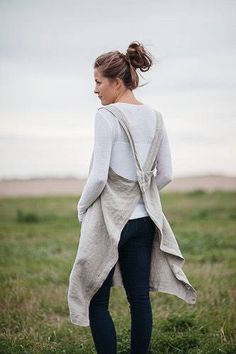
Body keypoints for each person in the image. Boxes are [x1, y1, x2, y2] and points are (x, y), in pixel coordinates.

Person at [67, 41, 196, 354]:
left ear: (116, 81)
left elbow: (98, 176)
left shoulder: (106, 116)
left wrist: (82, 207)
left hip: (110, 222)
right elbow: (165, 175)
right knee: (139, 300)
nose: (95, 90)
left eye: (98, 82)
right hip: (144, 221)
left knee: (98, 300)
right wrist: (141, 194)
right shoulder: (156, 117)